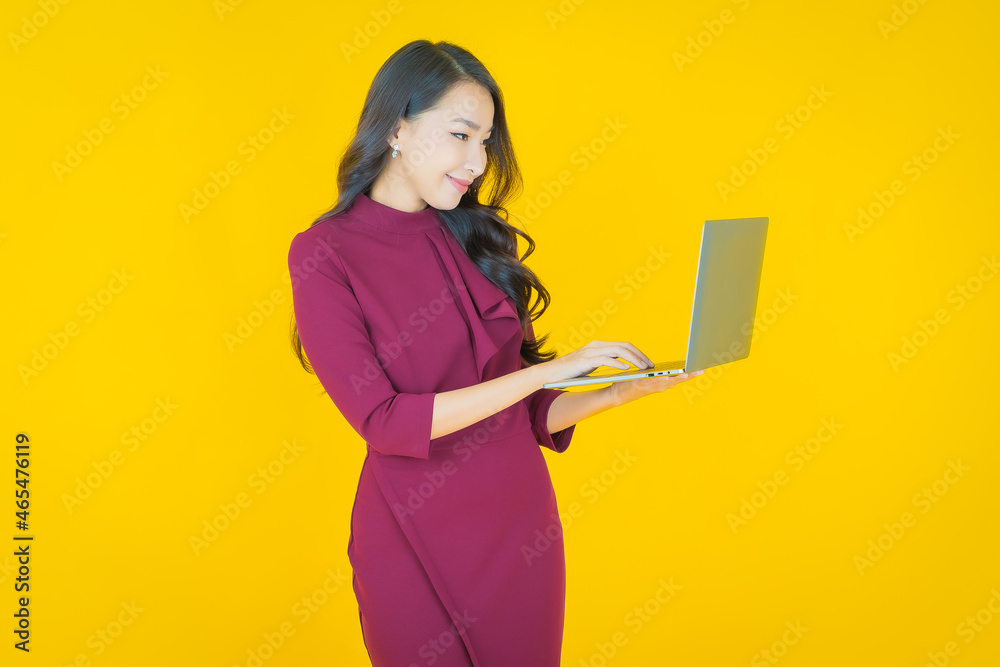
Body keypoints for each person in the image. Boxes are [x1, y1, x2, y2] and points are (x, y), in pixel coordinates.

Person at [287, 39, 704, 667]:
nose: (478, 160)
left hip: (520, 531)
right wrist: (551, 372)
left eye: (485, 141)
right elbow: (384, 422)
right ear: (398, 128)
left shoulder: (472, 235)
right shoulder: (324, 253)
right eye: (461, 135)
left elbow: (526, 417)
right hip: (412, 532)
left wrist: (619, 392)